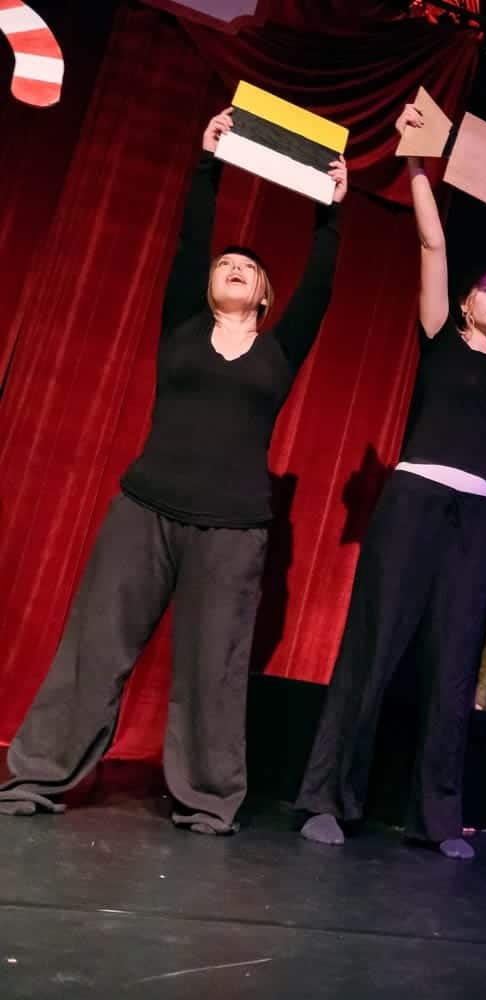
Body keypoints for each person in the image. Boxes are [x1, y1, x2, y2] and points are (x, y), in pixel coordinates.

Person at [0, 109, 346, 833]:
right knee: (95, 648)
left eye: (248, 268)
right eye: (226, 264)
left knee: (213, 669)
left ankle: (210, 800)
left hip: (233, 530)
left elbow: (319, 286)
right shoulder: (183, 327)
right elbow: (192, 243)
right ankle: (38, 775)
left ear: (264, 296)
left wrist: (329, 212)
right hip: (145, 509)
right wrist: (208, 164)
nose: (234, 267)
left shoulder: (279, 352)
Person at [294, 103, 486, 860]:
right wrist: (416, 163)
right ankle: (328, 798)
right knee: (375, 645)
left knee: (455, 663)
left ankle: (437, 818)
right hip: (415, 499)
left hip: (477, 518)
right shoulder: (439, 338)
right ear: (466, 302)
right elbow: (432, 241)